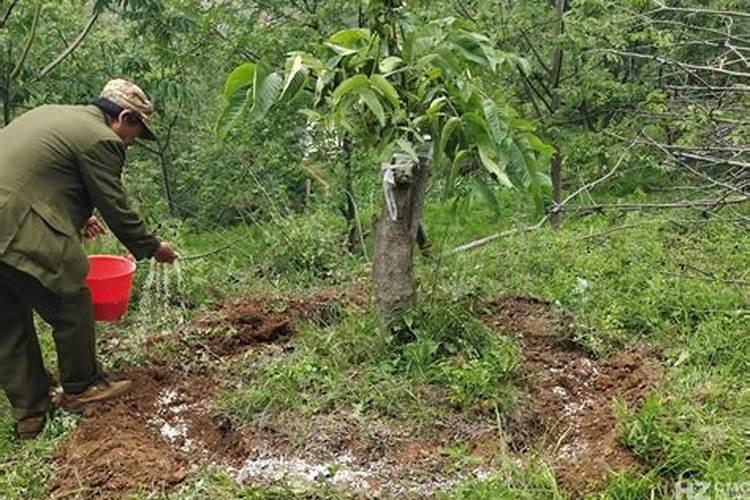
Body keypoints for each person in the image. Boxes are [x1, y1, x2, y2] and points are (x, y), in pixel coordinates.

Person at [0, 79, 178, 440]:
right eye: (135, 132)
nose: (130, 142)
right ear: (124, 117)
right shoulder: (101, 139)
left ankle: (31, 415)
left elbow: (35, 176)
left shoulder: (51, 115)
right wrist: (151, 247)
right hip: (14, 223)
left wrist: (79, 215)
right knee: (70, 301)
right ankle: (82, 387)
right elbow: (117, 207)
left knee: (7, 323)